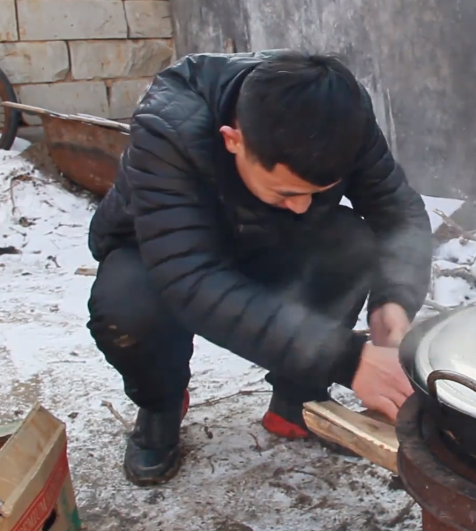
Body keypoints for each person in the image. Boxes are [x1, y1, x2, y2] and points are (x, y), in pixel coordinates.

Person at [85, 50, 433, 486]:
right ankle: (161, 403)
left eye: (317, 192)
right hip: (162, 249)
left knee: (348, 240)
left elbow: (397, 214)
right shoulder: (169, 125)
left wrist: (393, 304)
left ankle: (297, 399)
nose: (304, 205)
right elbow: (191, 279)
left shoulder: (340, 116)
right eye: (287, 191)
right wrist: (346, 358)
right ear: (234, 140)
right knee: (127, 312)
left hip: (268, 236)